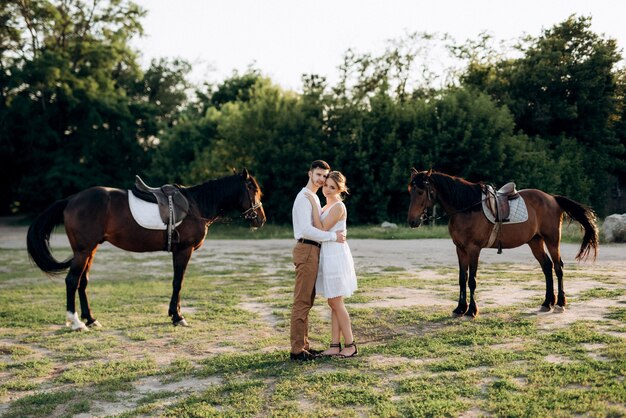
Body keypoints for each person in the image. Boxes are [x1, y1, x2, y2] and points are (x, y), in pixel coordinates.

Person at [290, 160, 346, 361]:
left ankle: (304, 346)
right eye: (319, 174)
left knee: (307, 301)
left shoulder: (313, 197)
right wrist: (333, 237)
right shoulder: (304, 197)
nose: (322, 179)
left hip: (313, 250)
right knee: (302, 301)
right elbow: (306, 229)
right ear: (310, 173)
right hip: (306, 248)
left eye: (325, 175)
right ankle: (297, 351)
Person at [304, 171, 358, 358]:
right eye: (326, 185)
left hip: (336, 255)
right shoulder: (327, 205)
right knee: (334, 301)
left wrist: (312, 203)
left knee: (335, 301)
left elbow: (321, 228)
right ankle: (335, 345)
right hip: (328, 253)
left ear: (340, 189)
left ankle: (350, 345)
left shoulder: (337, 207)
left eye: (332, 187)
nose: (327, 190)